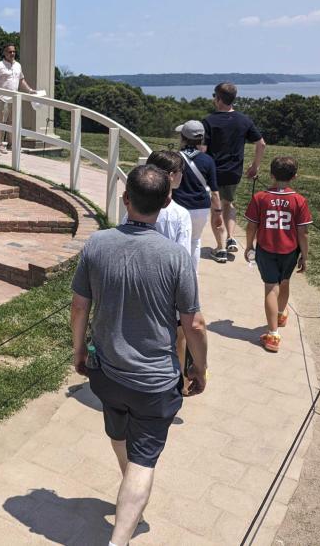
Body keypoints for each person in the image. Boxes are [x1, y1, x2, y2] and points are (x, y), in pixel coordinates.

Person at [72, 165, 208, 546]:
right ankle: (120, 537)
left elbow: (79, 307)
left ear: (126, 199)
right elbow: (194, 324)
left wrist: (79, 350)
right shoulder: (176, 257)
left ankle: (129, 482)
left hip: (106, 373)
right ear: (166, 202)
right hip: (153, 382)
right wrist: (199, 367)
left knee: (118, 431)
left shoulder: (97, 243)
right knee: (143, 459)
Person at [121, 151, 194, 388]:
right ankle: (179, 381)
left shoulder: (133, 208)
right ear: (172, 176)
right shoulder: (180, 214)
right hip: (168, 284)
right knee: (178, 336)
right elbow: (183, 255)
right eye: (181, 172)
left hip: (135, 279)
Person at [244, 156, 312, 353]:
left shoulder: (260, 197)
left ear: (271, 175)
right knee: (284, 282)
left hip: (266, 248)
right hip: (290, 249)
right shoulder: (299, 200)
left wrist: (249, 245)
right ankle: (280, 314)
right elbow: (303, 232)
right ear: (295, 177)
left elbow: (251, 225)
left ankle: (273, 334)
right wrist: (305, 256)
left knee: (270, 288)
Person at [203, 82, 267, 263]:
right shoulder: (244, 120)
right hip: (234, 172)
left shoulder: (208, 121)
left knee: (216, 209)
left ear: (218, 98)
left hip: (213, 172)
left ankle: (220, 248)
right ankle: (231, 236)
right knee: (228, 204)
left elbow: (202, 149)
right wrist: (255, 166)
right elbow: (261, 144)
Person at [171, 120, 221, 271]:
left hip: (177, 206)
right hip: (200, 209)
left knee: (176, 243)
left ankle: (176, 275)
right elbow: (214, 191)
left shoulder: (174, 158)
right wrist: (218, 212)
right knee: (195, 241)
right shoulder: (208, 160)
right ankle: (193, 276)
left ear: (183, 138)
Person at [0, 43, 35, 153]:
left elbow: (21, 80)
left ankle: (11, 144)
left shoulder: (18, 65)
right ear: (4, 53)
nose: (12, 53)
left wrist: (30, 90)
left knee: (12, 122)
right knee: (0, 121)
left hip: (15, 98)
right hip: (2, 98)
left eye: (14, 51)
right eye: (9, 52)